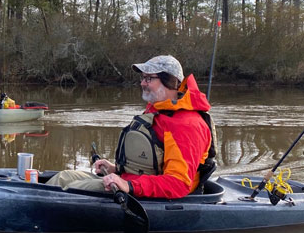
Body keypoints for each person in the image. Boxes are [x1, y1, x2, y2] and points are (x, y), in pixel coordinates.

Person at [47, 54, 215, 199]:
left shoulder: (186, 125)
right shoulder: (159, 110)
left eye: (149, 78)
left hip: (150, 195)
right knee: (64, 177)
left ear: (170, 82)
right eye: (142, 78)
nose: (142, 83)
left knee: (71, 191)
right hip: (130, 182)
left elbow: (177, 183)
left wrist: (129, 186)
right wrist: (115, 168)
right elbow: (150, 163)